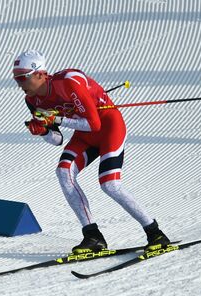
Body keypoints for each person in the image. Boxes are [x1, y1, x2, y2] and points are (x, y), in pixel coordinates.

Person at [13, 49, 170, 253]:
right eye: (16, 79)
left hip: (108, 128)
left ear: (40, 74)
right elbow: (57, 139)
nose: (19, 85)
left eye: (23, 78)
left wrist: (57, 119)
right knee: (63, 171)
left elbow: (94, 124)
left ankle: (155, 233)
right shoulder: (32, 100)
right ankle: (92, 236)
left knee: (110, 185)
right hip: (84, 134)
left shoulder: (68, 83)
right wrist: (42, 131)